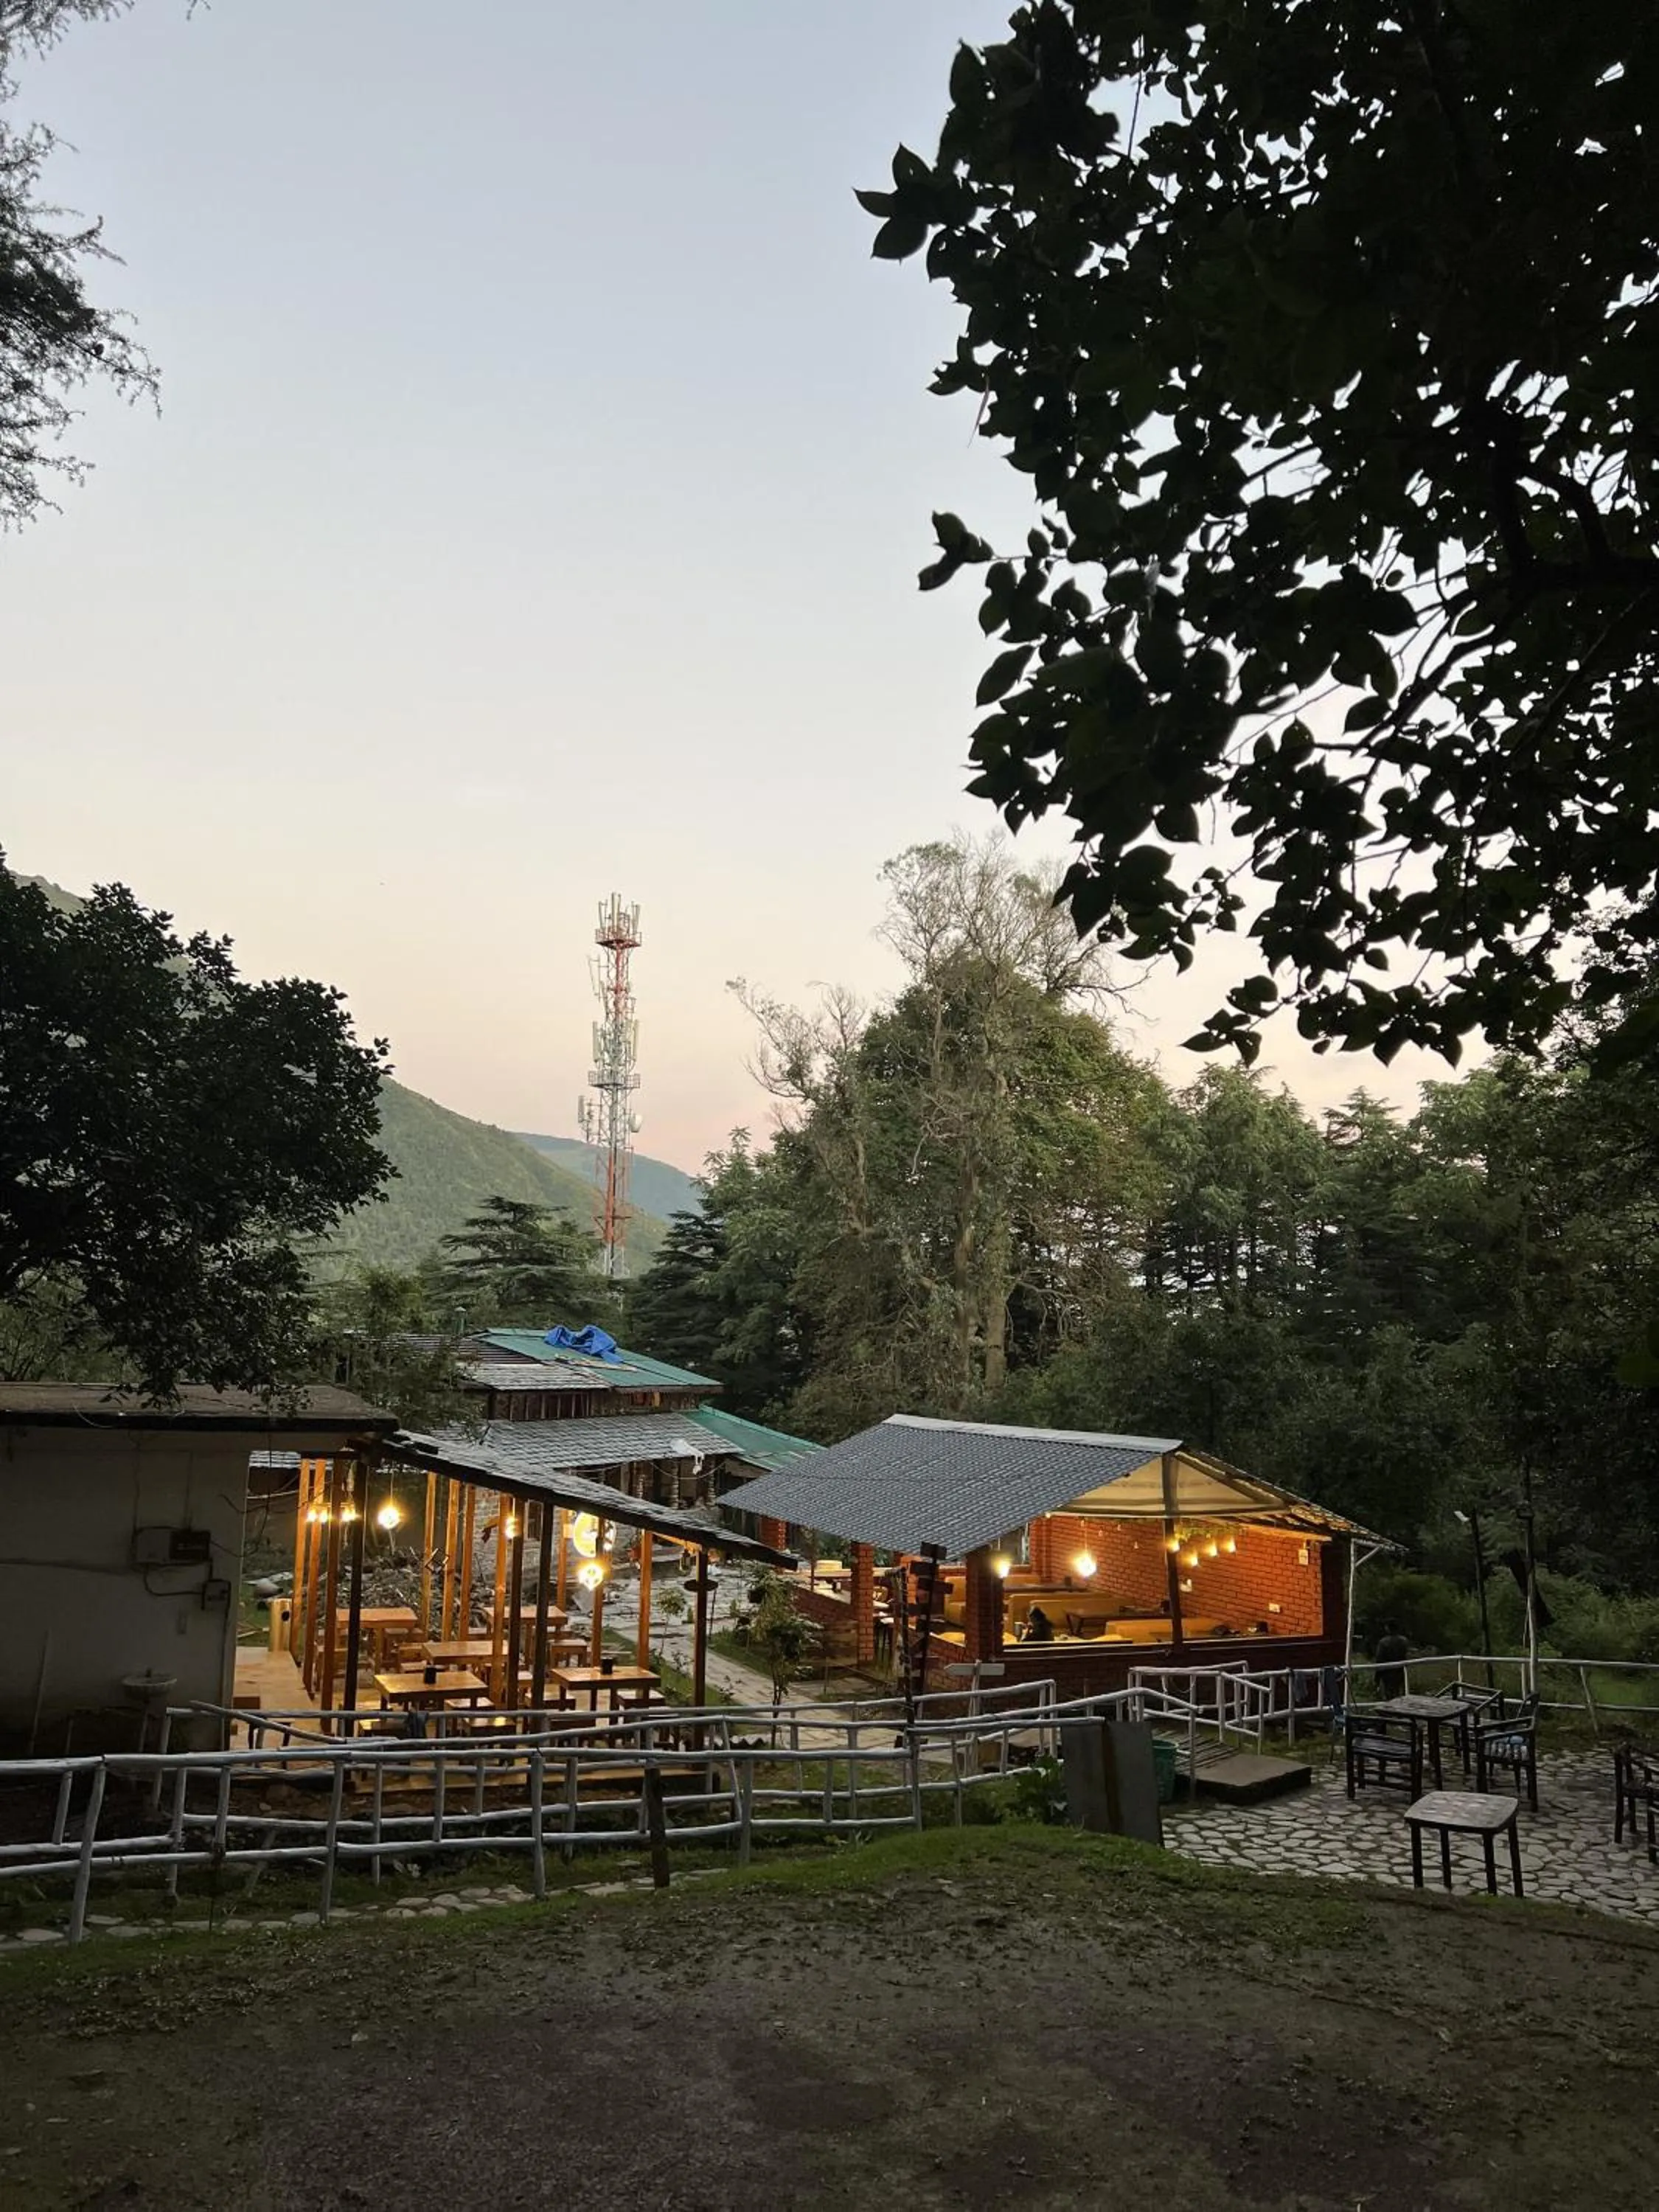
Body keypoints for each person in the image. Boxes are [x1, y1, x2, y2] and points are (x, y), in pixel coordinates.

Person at [1373, 1622, 1410, 1700]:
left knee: (1388, 1695)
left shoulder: (1383, 1642)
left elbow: (1379, 1659)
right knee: (1399, 1694)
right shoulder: (1404, 1641)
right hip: (1400, 1671)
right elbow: (1406, 1656)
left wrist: (1377, 1678)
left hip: (1387, 1672)